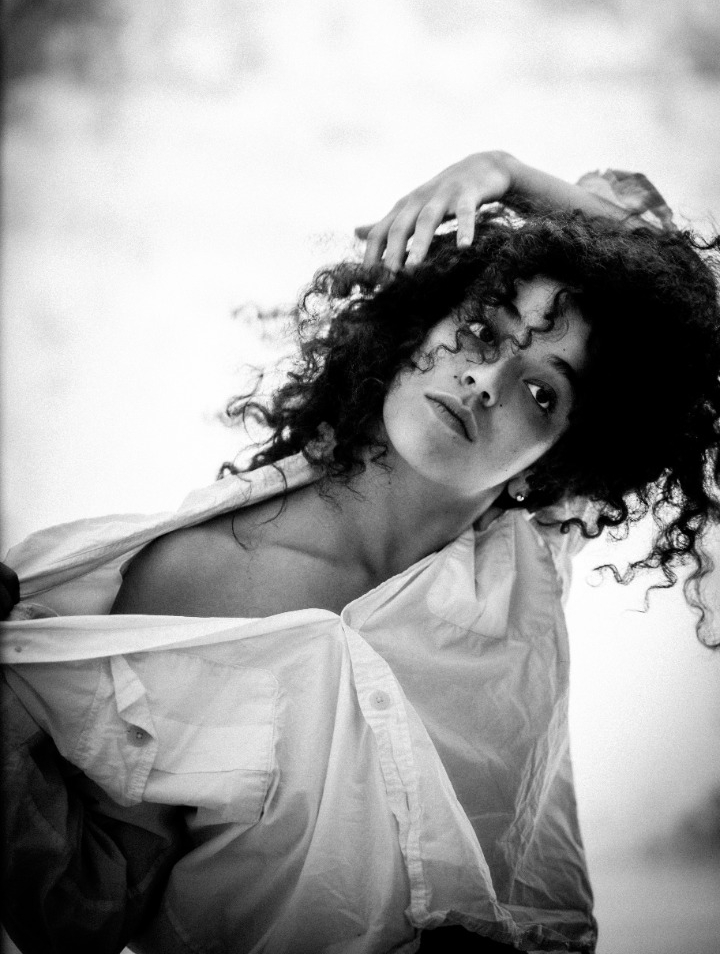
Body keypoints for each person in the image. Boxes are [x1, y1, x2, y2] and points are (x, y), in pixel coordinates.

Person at [2, 150, 719, 954]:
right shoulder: (196, 582)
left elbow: (700, 330)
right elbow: (94, 908)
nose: (487, 379)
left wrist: (506, 175)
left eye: (541, 390)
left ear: (555, 463)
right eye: (481, 330)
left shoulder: (529, 552)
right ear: (418, 327)